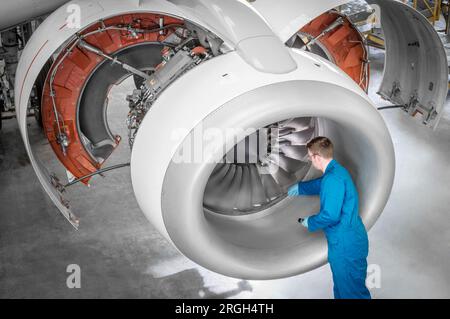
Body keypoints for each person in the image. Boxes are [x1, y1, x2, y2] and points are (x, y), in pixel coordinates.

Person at [288, 136, 371, 299]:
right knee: (342, 289)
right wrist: (301, 187)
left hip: (344, 244)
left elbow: (330, 216)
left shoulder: (332, 179)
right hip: (349, 238)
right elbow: (322, 184)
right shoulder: (336, 171)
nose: (310, 161)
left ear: (317, 157)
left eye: (310, 157)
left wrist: (309, 222)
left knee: (352, 293)